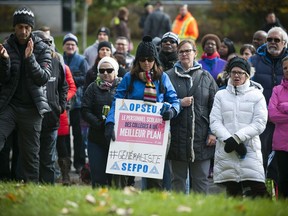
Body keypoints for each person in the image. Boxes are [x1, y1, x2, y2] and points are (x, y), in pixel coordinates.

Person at [105, 36, 180, 190]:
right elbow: (117, 101)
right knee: (120, 171)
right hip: (131, 130)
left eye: (150, 59)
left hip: (156, 132)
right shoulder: (129, 78)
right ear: (137, 60)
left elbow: (175, 101)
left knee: (154, 175)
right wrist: (110, 122)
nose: (147, 63)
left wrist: (172, 111)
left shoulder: (162, 78)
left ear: (155, 60)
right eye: (143, 59)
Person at [0, 7, 52, 183]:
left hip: (32, 108)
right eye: (20, 27)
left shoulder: (43, 48)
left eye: (27, 28)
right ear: (14, 27)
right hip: (10, 106)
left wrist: (30, 59)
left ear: (32, 29)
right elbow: (3, 79)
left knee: (30, 156)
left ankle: (31, 189)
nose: (23, 31)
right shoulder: (6, 46)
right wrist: (5, 61)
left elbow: (43, 78)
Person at [210, 56, 268, 198]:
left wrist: (237, 138)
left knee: (258, 191)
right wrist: (229, 139)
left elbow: (260, 122)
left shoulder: (257, 95)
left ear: (247, 75)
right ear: (229, 74)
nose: (237, 75)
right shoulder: (220, 95)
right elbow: (215, 122)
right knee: (233, 193)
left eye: (241, 73)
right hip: (226, 150)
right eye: (234, 72)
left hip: (249, 149)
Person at [166, 39, 218, 194]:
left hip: (201, 139)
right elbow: (162, 103)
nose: (184, 54)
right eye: (181, 51)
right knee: (178, 181)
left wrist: (212, 132)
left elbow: (215, 107)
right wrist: (179, 103)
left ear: (195, 53)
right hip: (177, 137)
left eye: (188, 51)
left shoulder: (206, 77)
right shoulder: (168, 76)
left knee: (201, 181)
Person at [250, 27, 288, 186]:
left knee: (282, 164)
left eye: (276, 40)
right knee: (261, 158)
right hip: (261, 121)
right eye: (269, 40)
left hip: (284, 125)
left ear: (284, 43)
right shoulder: (253, 61)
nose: (272, 43)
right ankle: (262, 193)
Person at [33, 30, 68, 184]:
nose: (47, 46)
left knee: (49, 159)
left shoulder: (56, 61)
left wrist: (60, 106)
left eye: (49, 43)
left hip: (51, 119)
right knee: (31, 157)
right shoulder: (27, 61)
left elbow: (64, 86)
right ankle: (31, 188)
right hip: (31, 119)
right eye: (43, 43)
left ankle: (48, 188)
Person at [82, 57, 122, 188]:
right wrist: (99, 124)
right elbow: (85, 110)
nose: (105, 73)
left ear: (115, 72)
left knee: (116, 179)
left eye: (109, 70)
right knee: (98, 176)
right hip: (96, 138)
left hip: (118, 139)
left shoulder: (123, 87)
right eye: (102, 70)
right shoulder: (92, 88)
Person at [63, 33, 89, 174]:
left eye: (73, 44)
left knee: (78, 136)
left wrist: (68, 78)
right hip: (64, 103)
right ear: (64, 46)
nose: (70, 46)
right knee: (65, 135)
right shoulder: (60, 59)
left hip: (78, 103)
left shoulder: (81, 60)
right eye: (68, 44)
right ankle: (66, 163)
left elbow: (85, 78)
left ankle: (79, 164)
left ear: (77, 47)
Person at [268, 56, 288, 199]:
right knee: (283, 180)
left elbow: (279, 112)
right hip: (282, 144)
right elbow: (272, 115)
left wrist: (285, 106)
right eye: (285, 68)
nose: (287, 70)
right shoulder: (277, 90)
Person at [56, 65, 77, 186]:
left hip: (59, 111)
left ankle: (65, 175)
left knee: (61, 143)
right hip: (39, 109)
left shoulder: (63, 67)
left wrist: (61, 100)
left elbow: (72, 87)